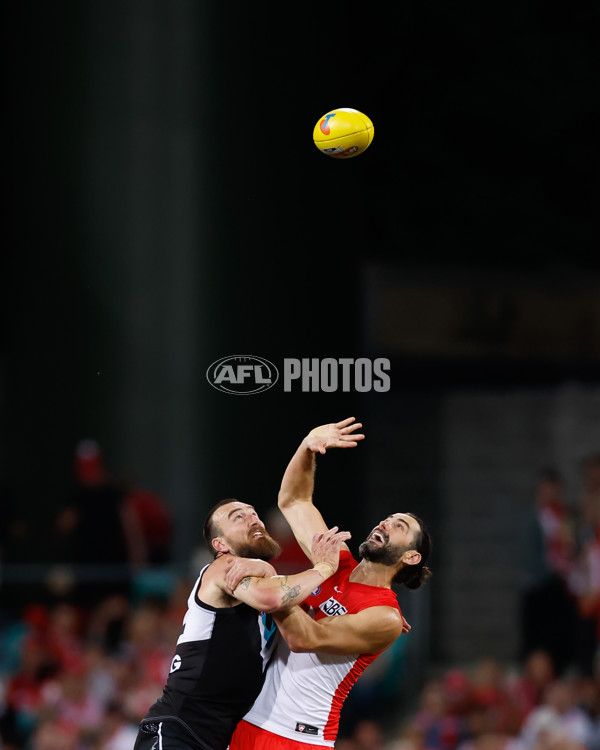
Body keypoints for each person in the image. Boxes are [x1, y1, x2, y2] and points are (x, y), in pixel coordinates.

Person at [228, 417, 432, 750]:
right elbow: (294, 501)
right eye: (389, 518)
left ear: (410, 557)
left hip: (295, 736)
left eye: (400, 526)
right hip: (249, 718)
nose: (386, 522)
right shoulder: (335, 559)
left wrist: (274, 581)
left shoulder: (386, 617)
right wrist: (307, 445)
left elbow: (303, 637)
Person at [133, 496, 350, 750]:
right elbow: (272, 597)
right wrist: (324, 567)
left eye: (254, 513)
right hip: (178, 729)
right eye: (238, 516)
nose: (252, 518)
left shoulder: (262, 576)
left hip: (217, 739)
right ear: (220, 544)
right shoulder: (221, 567)